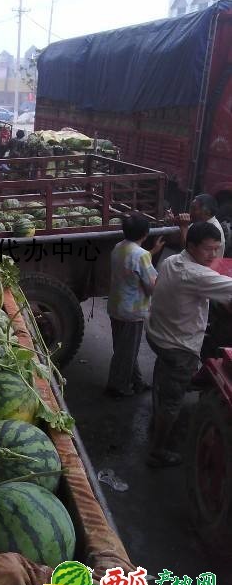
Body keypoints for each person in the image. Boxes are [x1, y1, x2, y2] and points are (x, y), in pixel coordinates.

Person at [145, 221, 232, 468]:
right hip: (178, 346)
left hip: (158, 334)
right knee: (173, 401)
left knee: (165, 383)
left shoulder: (173, 261)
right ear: (191, 246)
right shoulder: (196, 274)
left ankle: (158, 415)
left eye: (217, 248)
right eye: (208, 249)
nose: (213, 255)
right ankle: (158, 450)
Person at [105, 213, 165, 398]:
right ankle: (117, 387)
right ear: (145, 233)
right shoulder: (141, 255)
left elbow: (132, 265)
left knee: (124, 348)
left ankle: (137, 381)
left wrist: (151, 252)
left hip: (116, 306)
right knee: (127, 352)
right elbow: (152, 285)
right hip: (132, 311)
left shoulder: (119, 247)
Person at [173, 193, 226, 258]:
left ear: (207, 212)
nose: (190, 212)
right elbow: (176, 239)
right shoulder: (200, 222)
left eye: (194, 209)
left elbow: (187, 252)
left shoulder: (212, 229)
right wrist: (173, 222)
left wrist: (184, 227)